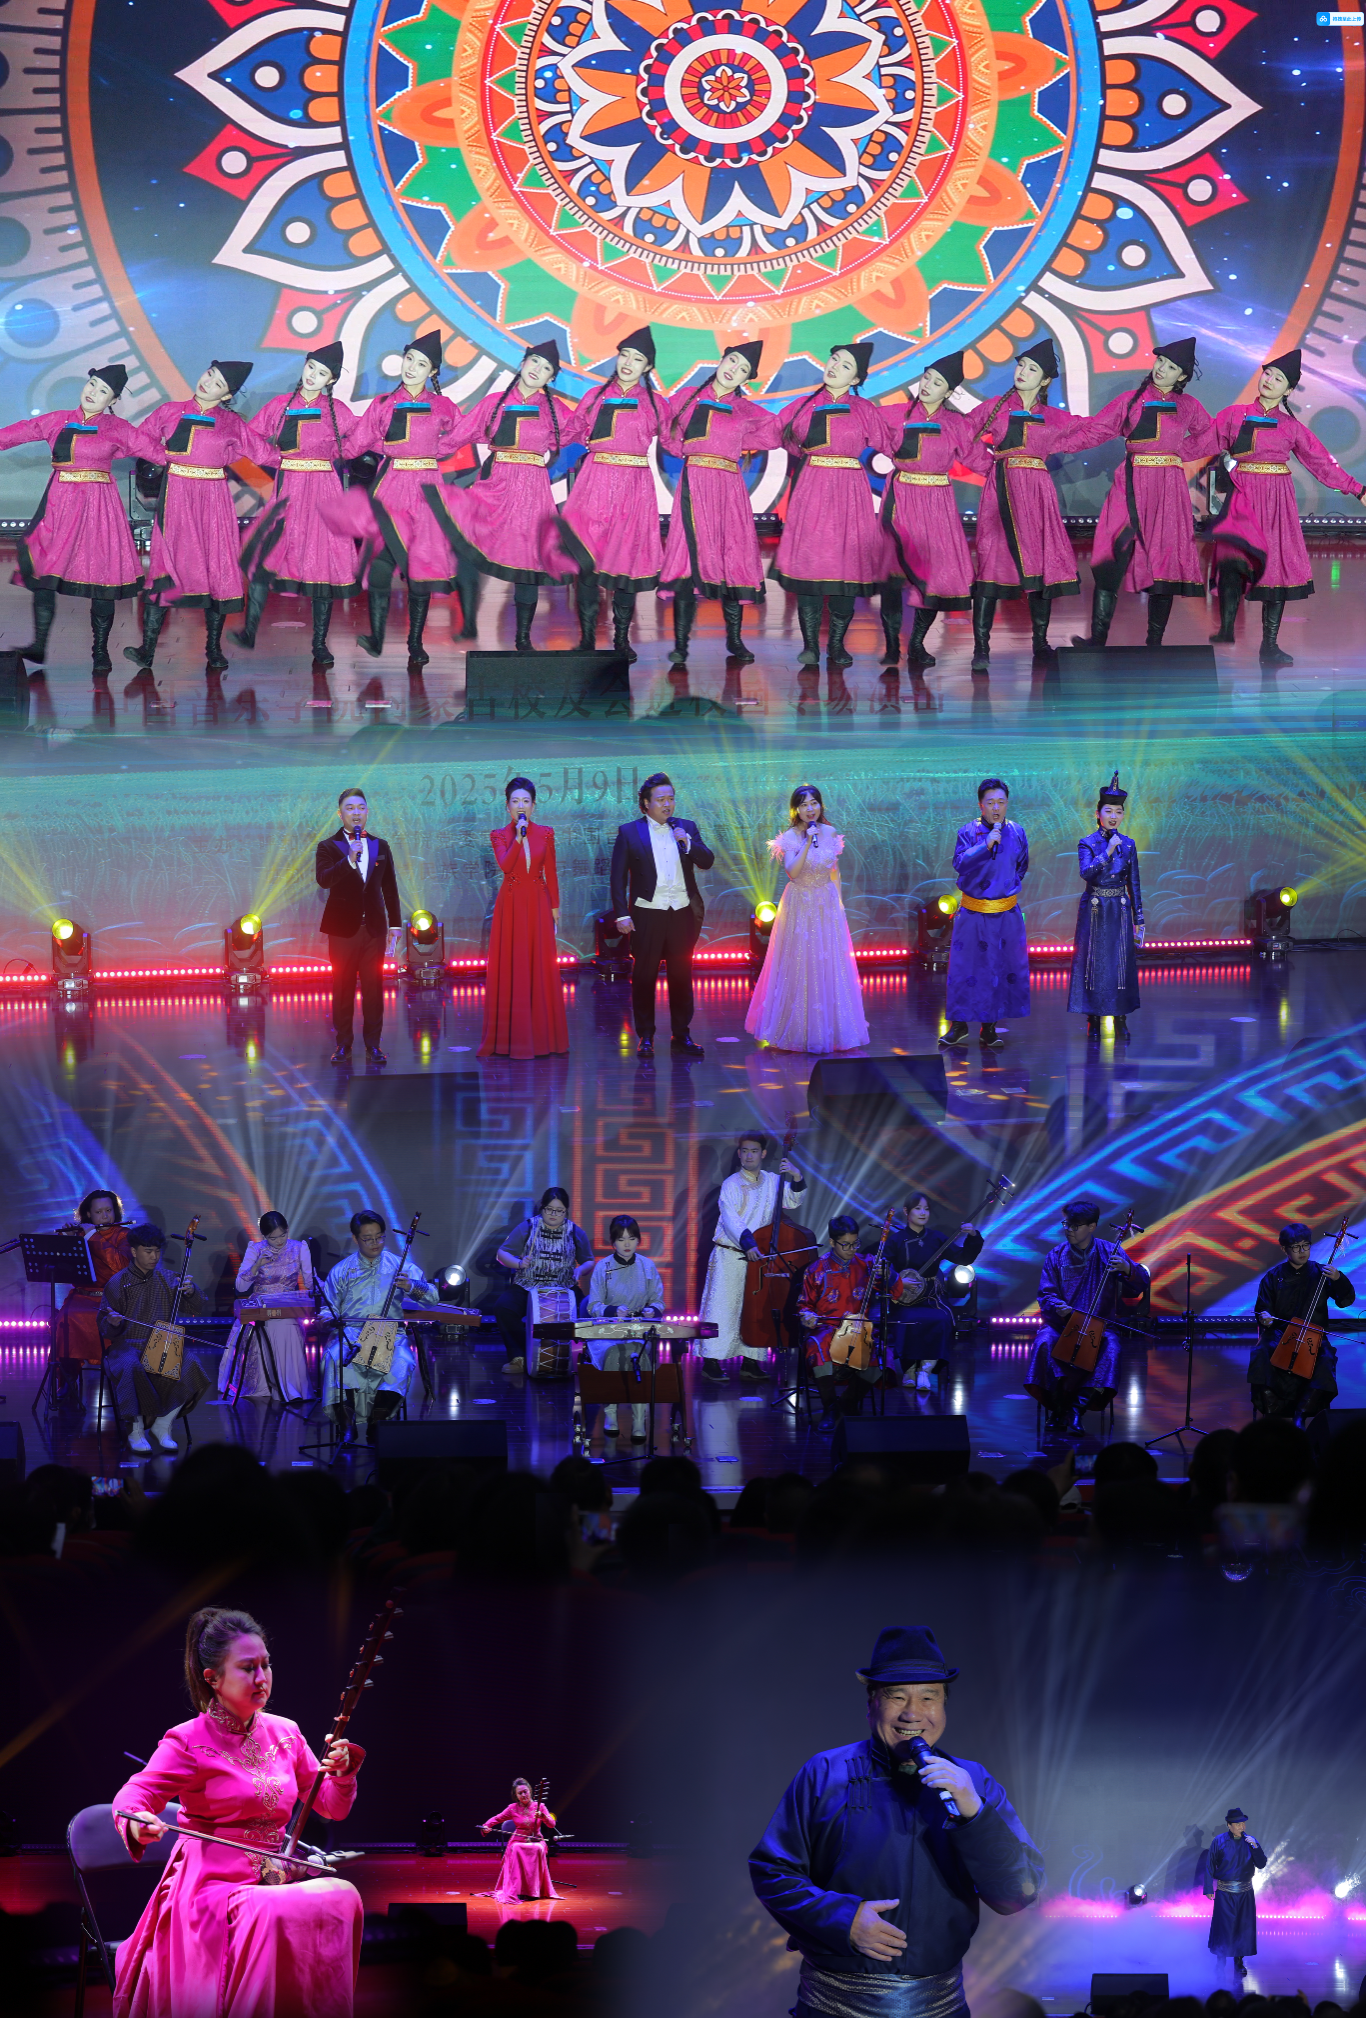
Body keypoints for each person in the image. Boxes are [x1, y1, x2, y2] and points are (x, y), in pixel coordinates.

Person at [750, 1625, 1042, 2018]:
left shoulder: (974, 1781)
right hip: (832, 2006)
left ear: (944, 1706)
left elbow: (1017, 1894)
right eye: (896, 1696)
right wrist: (843, 1919)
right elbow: (772, 1871)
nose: (912, 1713)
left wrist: (974, 1813)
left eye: (929, 1697)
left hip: (941, 2006)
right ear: (871, 1703)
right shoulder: (824, 1772)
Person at [110, 1605, 365, 2018]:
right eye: (248, 1668)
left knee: (342, 1896)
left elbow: (331, 1808)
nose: (262, 1678)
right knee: (274, 1911)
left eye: (266, 1665)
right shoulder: (187, 1741)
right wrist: (138, 1822)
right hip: (211, 1889)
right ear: (213, 1678)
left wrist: (343, 1775)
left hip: (271, 1879)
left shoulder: (286, 1732)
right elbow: (134, 1795)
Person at [0, 363, 161, 676]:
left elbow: (157, 453)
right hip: (58, 506)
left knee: (102, 578)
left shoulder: (119, 429)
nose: (93, 392)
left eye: (103, 391)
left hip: (99, 510)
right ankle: (39, 644)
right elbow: (14, 434)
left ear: (113, 400)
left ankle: (100, 652)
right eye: (92, 384)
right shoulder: (57, 420)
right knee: (43, 571)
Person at [1207, 348, 1366, 665]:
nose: (1269, 380)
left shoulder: (1291, 427)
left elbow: (1322, 463)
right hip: (1242, 499)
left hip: (1276, 503)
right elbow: (1203, 442)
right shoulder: (1233, 415)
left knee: (1275, 569)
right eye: (1268, 373)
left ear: (1288, 390)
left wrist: (1358, 490)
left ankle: (1269, 645)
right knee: (1232, 562)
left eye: (1278, 378)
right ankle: (1226, 629)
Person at [425, 339, 573, 650]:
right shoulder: (494, 403)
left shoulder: (555, 411)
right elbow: (459, 435)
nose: (537, 369)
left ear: (551, 378)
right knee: (466, 546)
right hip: (495, 486)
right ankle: (468, 620)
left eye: (546, 368)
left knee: (529, 562)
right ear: (523, 363)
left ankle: (523, 638)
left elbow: (580, 431)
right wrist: (419, 452)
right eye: (534, 361)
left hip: (532, 491)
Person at [1069, 337, 1214, 649]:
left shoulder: (1189, 406)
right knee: (1111, 553)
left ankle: (1155, 644)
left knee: (1164, 561)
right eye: (1160, 361)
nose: (1162, 368)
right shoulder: (1131, 399)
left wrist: (1177, 452)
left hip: (1168, 490)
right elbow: (1096, 430)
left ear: (1182, 376)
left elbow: (1211, 436)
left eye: (1171, 367)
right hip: (1131, 483)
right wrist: (1057, 444)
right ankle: (1097, 639)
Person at [127, 360, 267, 674]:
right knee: (165, 564)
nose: (208, 382)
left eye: (218, 383)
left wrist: (307, 454)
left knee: (216, 566)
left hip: (214, 501)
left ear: (227, 394)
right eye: (209, 374)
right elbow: (138, 440)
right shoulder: (169, 411)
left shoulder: (231, 423)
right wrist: (164, 456)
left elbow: (262, 452)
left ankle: (213, 649)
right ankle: (147, 649)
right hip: (176, 498)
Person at [341, 330, 467, 667]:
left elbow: (462, 434)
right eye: (409, 359)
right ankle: (377, 637)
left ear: (432, 371)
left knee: (420, 568)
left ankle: (415, 643)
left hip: (426, 488)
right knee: (381, 564)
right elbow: (358, 442)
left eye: (421, 364)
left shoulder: (442, 406)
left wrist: (431, 451)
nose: (412, 367)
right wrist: (325, 451)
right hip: (392, 486)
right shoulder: (383, 404)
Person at [235, 341, 362, 668]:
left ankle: (319, 644)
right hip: (288, 489)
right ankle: (249, 631)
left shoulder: (337, 411)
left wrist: (336, 454)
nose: (313, 376)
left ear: (331, 380)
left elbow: (361, 438)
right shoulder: (279, 405)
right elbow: (249, 437)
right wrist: (272, 458)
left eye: (322, 373)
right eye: (311, 367)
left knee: (323, 564)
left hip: (323, 491)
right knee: (266, 555)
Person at [968, 337, 1091, 671]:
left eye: (1032, 368)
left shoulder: (1052, 417)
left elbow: (1090, 430)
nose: (1022, 371)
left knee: (1039, 562)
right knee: (992, 562)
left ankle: (1040, 642)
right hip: (1001, 491)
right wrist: (988, 465)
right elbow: (962, 435)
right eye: (1021, 365)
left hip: (1036, 493)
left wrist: (1125, 420)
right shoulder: (995, 407)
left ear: (1046, 379)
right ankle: (981, 648)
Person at [658, 339, 782, 665]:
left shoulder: (744, 409)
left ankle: (735, 640)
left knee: (731, 555)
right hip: (695, 482)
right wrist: (685, 450)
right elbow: (667, 428)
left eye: (743, 369)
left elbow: (772, 432)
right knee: (688, 557)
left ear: (746, 379)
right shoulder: (687, 397)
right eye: (733, 361)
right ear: (722, 360)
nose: (734, 370)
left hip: (729, 486)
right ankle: (681, 643)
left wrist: (738, 440)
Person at [771, 344, 889, 670]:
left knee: (846, 567)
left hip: (850, 493)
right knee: (810, 565)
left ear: (856, 379)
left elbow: (890, 441)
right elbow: (777, 433)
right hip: (812, 489)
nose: (835, 366)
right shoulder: (804, 405)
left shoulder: (863, 409)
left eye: (845, 365)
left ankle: (837, 643)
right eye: (834, 359)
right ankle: (810, 645)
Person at [559, 326, 665, 658]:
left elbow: (677, 439)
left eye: (638, 359)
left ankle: (621, 638)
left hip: (634, 488)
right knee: (587, 562)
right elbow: (571, 431)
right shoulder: (595, 396)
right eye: (624, 355)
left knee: (627, 563)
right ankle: (588, 637)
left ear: (648, 367)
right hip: (595, 483)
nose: (628, 363)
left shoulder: (656, 404)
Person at [745, 785, 869, 1053]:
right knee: (800, 961)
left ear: (820, 805)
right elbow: (792, 871)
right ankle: (796, 1030)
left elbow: (834, 871)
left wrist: (839, 903)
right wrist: (805, 843)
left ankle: (831, 1029)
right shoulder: (791, 837)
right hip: (799, 903)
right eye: (803, 805)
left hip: (825, 902)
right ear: (795, 810)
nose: (810, 809)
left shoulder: (830, 833)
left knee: (828, 961)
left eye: (814, 803)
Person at [876, 351, 977, 668]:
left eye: (937, 382)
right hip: (901, 498)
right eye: (926, 378)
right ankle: (892, 645)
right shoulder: (895, 414)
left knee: (935, 576)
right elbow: (865, 427)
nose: (927, 385)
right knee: (893, 576)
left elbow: (977, 457)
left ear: (949, 392)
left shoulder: (956, 424)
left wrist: (1010, 472)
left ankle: (917, 643)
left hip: (937, 505)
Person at [610, 772, 714, 1059]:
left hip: (681, 913)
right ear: (646, 803)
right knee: (644, 977)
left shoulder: (686, 827)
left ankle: (682, 1034)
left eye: (671, 799)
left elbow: (707, 861)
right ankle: (645, 1036)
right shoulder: (629, 832)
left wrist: (688, 843)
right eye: (661, 800)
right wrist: (621, 915)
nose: (667, 804)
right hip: (647, 914)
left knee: (681, 976)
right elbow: (617, 878)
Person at [1024, 1200, 1150, 1435]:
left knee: (1111, 1346)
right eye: (1067, 1225)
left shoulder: (1109, 1251)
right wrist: (1058, 1306)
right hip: (1062, 1325)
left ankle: (1075, 1409)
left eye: (1075, 1226)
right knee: (1044, 1342)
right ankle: (1057, 1407)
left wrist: (1127, 1269)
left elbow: (1140, 1285)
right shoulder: (1056, 1255)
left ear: (1092, 1226)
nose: (1069, 1230)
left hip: (1100, 1326)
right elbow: (1046, 1294)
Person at [698, 1132, 809, 1382]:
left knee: (754, 1309)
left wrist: (796, 1175)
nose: (749, 1156)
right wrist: (748, 1243)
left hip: (758, 1258)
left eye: (754, 1151)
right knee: (722, 1307)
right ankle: (711, 1361)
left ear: (763, 1154)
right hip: (730, 1254)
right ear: (739, 1154)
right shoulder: (731, 1184)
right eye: (745, 1151)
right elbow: (730, 1219)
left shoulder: (772, 1181)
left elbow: (792, 1200)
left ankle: (751, 1362)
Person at [319, 1209, 438, 1441]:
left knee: (403, 1362)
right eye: (368, 1238)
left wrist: (411, 1286)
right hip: (351, 1334)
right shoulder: (342, 1270)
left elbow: (433, 1297)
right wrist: (327, 1318)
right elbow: (328, 1308)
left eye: (379, 1237)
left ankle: (378, 1423)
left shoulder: (399, 1266)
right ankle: (347, 1426)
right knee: (336, 1359)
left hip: (389, 1335)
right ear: (355, 1238)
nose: (375, 1243)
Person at [98, 1223, 210, 1454]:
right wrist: (113, 1323)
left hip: (162, 1344)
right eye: (148, 1251)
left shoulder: (169, 1278)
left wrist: (191, 1292)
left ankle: (163, 1424)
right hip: (127, 1345)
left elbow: (196, 1306)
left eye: (157, 1251)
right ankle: (135, 1430)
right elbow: (104, 1327)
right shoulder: (118, 1283)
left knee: (191, 1363)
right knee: (131, 1365)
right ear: (134, 1251)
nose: (154, 1257)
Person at [479, 775, 567, 1059]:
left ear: (533, 806)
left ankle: (544, 1037)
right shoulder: (499, 835)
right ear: (507, 807)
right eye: (515, 801)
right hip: (512, 905)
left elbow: (550, 872)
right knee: (513, 965)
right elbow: (506, 866)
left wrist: (555, 908)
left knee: (540, 965)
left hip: (539, 903)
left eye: (526, 801)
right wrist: (518, 837)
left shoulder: (546, 833)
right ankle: (512, 1038)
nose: (521, 806)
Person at [315, 787, 403, 1067]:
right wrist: (349, 860)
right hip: (343, 930)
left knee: (373, 989)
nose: (356, 813)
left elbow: (390, 888)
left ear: (367, 812)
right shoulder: (328, 846)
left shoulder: (380, 846)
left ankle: (373, 1045)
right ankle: (343, 1044)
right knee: (342, 988)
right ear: (340, 814)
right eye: (350, 808)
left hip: (374, 930)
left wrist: (396, 925)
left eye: (361, 808)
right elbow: (324, 880)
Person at [941, 778, 1029, 1050]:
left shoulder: (1017, 831)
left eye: (1001, 802)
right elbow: (960, 864)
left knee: (999, 969)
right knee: (965, 969)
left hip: (1005, 914)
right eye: (990, 803)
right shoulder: (968, 832)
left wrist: (1004, 889)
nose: (996, 808)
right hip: (973, 913)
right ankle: (959, 1026)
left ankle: (989, 1028)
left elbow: (1022, 866)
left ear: (1007, 804)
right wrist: (986, 845)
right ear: (981, 805)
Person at [1249, 1221, 1354, 1420]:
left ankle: (1303, 1414)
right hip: (1280, 1333)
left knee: (1325, 1359)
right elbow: (1263, 1308)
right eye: (1296, 1247)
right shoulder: (1273, 1277)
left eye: (1306, 1245)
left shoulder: (1322, 1273)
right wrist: (1265, 1318)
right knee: (1262, 1353)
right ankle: (1272, 1413)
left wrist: (1338, 1279)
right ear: (1284, 1249)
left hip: (1313, 1336)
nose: (1302, 1251)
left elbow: (1345, 1300)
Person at [1067, 772, 1143, 1039]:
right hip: (1095, 908)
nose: (1113, 816)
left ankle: (1120, 1017)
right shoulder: (1087, 843)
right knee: (1094, 961)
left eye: (1118, 812)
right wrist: (1108, 851)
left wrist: (1139, 919)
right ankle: (1093, 1016)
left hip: (1119, 909)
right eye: (1108, 811)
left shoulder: (1129, 845)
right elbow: (1086, 873)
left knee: (1120, 962)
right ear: (1097, 813)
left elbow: (1134, 883)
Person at [882, 1195, 983, 1393]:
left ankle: (925, 1371)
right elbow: (883, 1267)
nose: (923, 1213)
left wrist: (972, 1236)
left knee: (941, 1320)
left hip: (931, 1298)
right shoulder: (896, 1240)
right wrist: (899, 1281)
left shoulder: (937, 1238)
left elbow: (963, 1258)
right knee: (907, 1321)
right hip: (905, 1298)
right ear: (906, 1212)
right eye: (918, 1208)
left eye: (926, 1209)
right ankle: (910, 1370)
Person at [583, 1214, 667, 1441]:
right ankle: (610, 1414)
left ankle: (639, 1419)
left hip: (638, 1330)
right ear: (613, 1242)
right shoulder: (603, 1267)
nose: (627, 1244)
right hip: (608, 1330)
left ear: (639, 1240)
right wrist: (612, 1310)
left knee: (638, 1354)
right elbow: (592, 1305)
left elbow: (658, 1301)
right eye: (621, 1239)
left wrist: (652, 1310)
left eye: (631, 1238)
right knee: (613, 1353)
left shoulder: (647, 1266)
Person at [493, 1188, 594, 1375]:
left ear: (566, 1211)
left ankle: (582, 1359)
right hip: (528, 1285)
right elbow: (502, 1254)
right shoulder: (528, 1227)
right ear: (542, 1208)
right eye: (549, 1209)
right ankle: (519, 1357)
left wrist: (580, 1270)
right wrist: (518, 1263)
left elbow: (589, 1261)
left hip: (564, 1287)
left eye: (559, 1211)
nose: (553, 1214)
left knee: (587, 1310)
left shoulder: (574, 1232)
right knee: (504, 1307)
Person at [216, 1211, 312, 1403]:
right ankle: (269, 1385)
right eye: (272, 1238)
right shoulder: (256, 1249)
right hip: (260, 1305)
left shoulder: (299, 1248)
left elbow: (310, 1282)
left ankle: (289, 1388)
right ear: (264, 1236)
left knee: (286, 1326)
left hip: (287, 1305)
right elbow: (240, 1286)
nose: (279, 1241)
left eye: (282, 1235)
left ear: (287, 1230)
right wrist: (257, 1265)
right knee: (265, 1326)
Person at [798, 1218, 882, 1430]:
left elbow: (889, 1289)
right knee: (818, 1346)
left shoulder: (868, 1265)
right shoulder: (816, 1269)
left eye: (855, 1243)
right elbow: (804, 1305)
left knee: (881, 1355)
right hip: (825, 1328)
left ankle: (846, 1402)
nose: (852, 1249)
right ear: (832, 1242)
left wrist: (889, 1276)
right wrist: (807, 1315)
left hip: (858, 1328)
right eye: (845, 1244)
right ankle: (829, 1407)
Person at [53, 1189, 130, 1395]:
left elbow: (120, 1265)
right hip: (82, 1297)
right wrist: (68, 1241)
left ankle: (121, 1379)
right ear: (88, 1214)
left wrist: (93, 1236)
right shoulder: (80, 1234)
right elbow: (63, 1269)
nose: (105, 1216)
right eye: (98, 1212)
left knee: (114, 1323)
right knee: (65, 1321)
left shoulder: (124, 1235)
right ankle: (68, 1384)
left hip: (113, 1299)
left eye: (108, 1210)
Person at [1204, 1807, 1267, 1980]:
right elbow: (1210, 1864)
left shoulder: (1250, 1841)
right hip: (1225, 1892)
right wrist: (1208, 1888)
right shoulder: (1219, 1841)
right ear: (1229, 1825)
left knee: (1243, 1927)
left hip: (1245, 1892)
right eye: (1238, 1824)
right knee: (1223, 1928)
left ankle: (1239, 1962)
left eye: (1243, 1823)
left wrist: (1255, 1847)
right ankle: (1220, 1962)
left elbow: (1261, 1864)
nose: (1242, 1826)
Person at [481, 1778, 558, 1903]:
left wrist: (543, 1816)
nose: (523, 1795)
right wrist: (486, 1826)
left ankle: (534, 1891)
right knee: (516, 1848)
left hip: (536, 1840)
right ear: (516, 1795)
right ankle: (518, 1890)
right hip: (518, 1841)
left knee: (538, 1848)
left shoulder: (540, 1806)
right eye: (520, 1793)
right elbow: (497, 1818)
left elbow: (552, 1824)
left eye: (525, 1791)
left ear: (530, 1791)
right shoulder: (513, 1808)